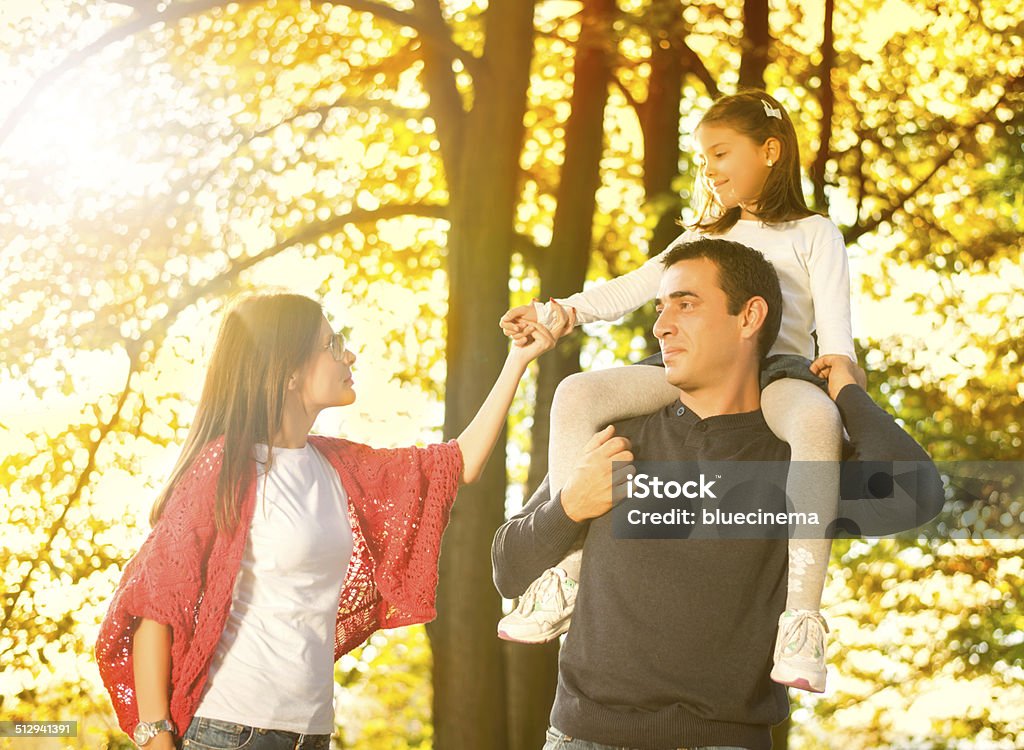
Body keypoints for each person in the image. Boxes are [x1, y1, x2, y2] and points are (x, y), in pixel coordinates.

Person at [492, 239, 944, 750]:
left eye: (686, 304)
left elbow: (915, 495)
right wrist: (570, 506)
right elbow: (509, 569)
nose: (662, 324)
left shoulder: (793, 459)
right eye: (661, 308)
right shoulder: (617, 435)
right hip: (580, 738)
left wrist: (845, 391)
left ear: (749, 316)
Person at [95, 292, 569, 750]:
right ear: (286, 372)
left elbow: (456, 464)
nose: (351, 356)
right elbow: (155, 608)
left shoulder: (340, 467)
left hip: (312, 732)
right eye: (333, 344)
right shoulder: (223, 469)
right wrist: (155, 737)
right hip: (228, 731)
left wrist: (518, 361)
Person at [498, 90, 857, 693]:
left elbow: (838, 340)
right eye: (703, 158)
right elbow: (634, 286)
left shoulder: (814, 234)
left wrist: (849, 407)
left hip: (776, 373)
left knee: (816, 424)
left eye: (721, 153)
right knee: (576, 394)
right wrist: (559, 312)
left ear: (770, 150)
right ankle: (567, 575)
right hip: (689, 368)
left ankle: (801, 621)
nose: (709, 170)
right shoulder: (702, 236)